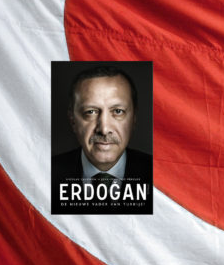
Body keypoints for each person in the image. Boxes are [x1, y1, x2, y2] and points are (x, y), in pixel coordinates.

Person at [51, 66, 151, 212]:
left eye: (118, 111)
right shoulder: (46, 173)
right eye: (90, 112)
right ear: (73, 120)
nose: (104, 129)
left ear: (133, 119)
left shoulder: (158, 177)